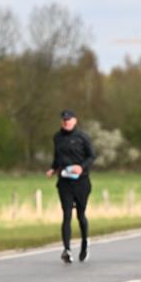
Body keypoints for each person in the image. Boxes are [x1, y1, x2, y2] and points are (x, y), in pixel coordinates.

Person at [45, 110, 96, 264]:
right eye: (64, 120)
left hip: (81, 181)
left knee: (80, 215)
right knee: (66, 214)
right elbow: (57, 157)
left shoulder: (82, 136)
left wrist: (81, 167)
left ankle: (85, 243)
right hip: (64, 181)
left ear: (75, 121)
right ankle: (67, 249)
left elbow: (92, 156)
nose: (66, 122)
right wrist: (53, 169)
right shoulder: (57, 137)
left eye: (69, 119)